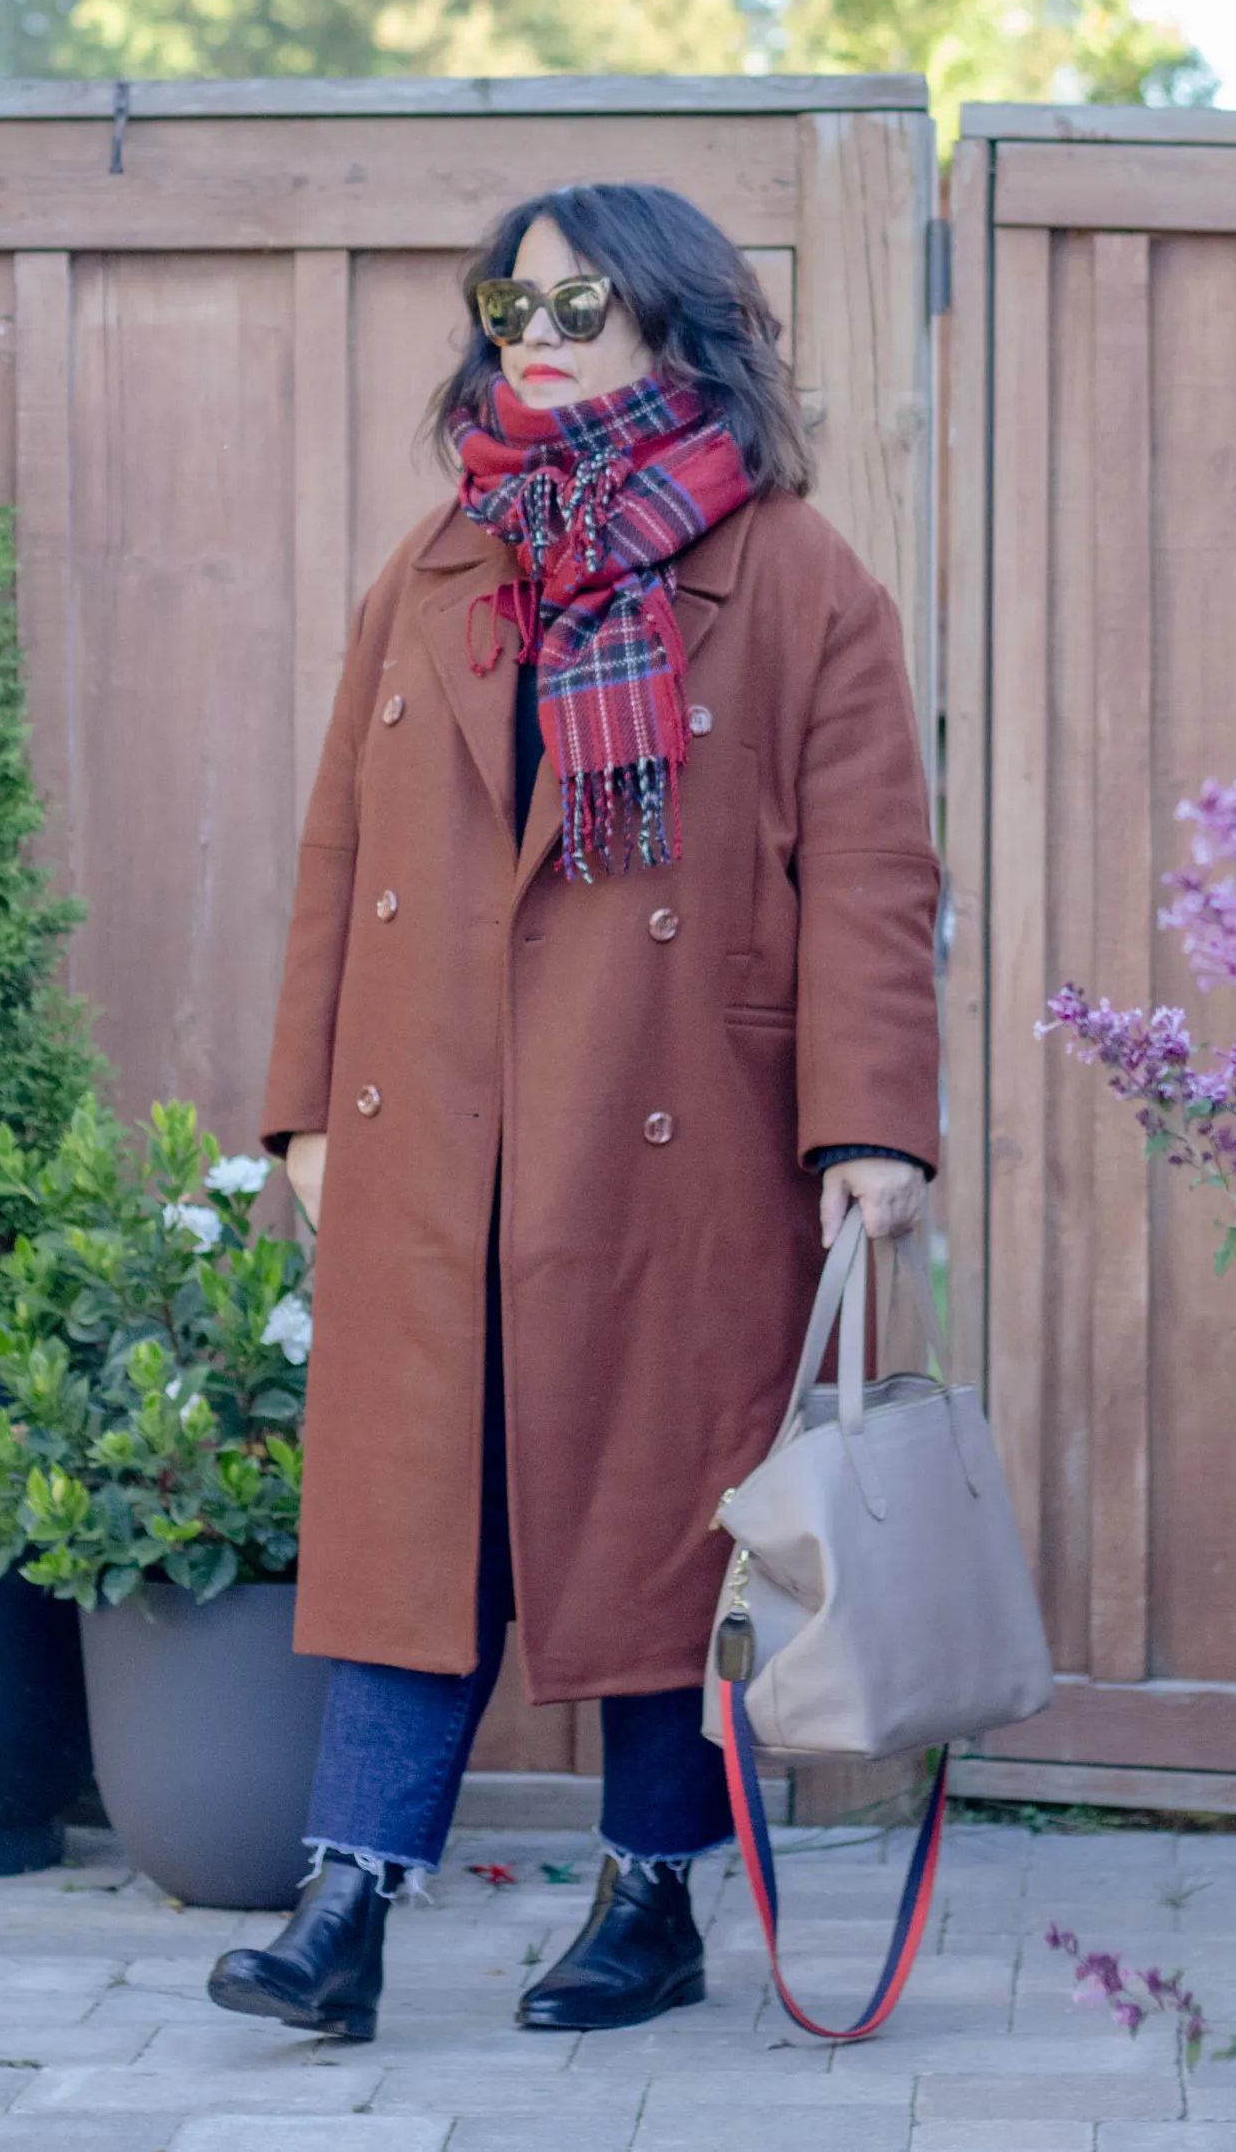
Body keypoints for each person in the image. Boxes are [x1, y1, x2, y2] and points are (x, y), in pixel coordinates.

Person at [208, 181, 941, 2044]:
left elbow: (868, 869)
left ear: (677, 325)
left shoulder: (792, 576)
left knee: (656, 1518)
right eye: (506, 305)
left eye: (576, 302)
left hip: (668, 1115)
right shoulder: (441, 558)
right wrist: (306, 1106)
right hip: (437, 1134)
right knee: (409, 1517)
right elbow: (338, 846)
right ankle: (342, 1910)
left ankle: (653, 1902)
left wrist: (873, 1128)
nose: (532, 335)